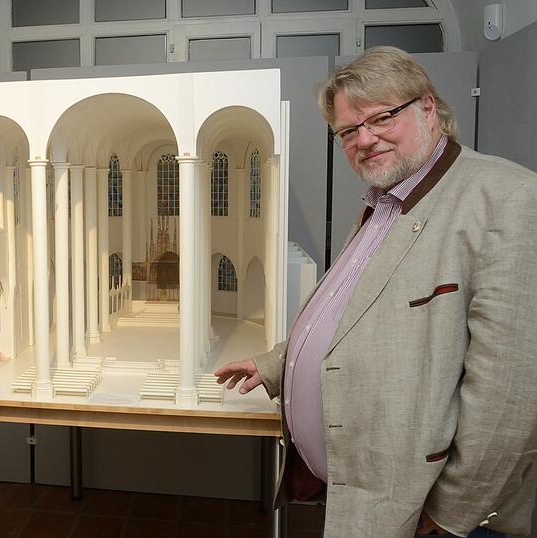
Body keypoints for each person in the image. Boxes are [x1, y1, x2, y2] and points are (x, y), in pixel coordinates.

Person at [215, 46, 537, 538]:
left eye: (381, 117)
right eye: (347, 131)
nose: (364, 139)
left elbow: (511, 395)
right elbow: (359, 315)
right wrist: (278, 363)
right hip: (369, 494)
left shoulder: (508, 199)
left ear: (429, 108)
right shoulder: (385, 202)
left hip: (435, 515)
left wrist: (453, 516)